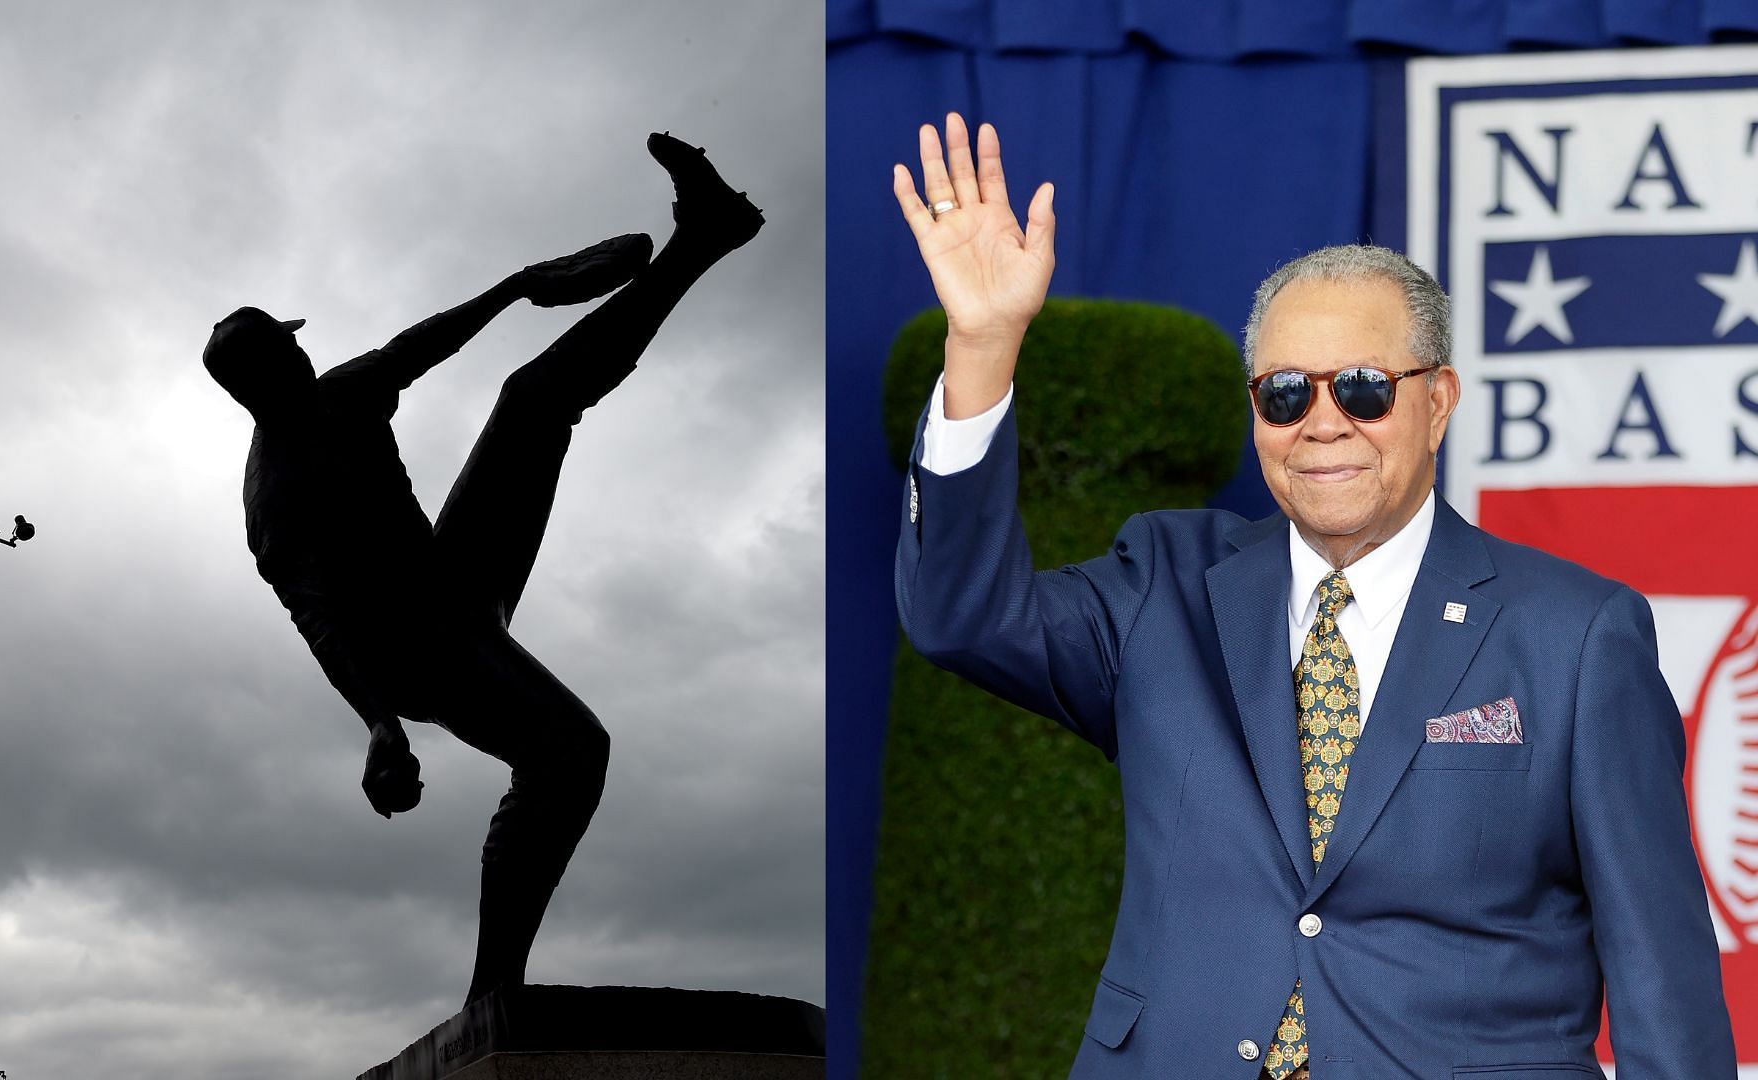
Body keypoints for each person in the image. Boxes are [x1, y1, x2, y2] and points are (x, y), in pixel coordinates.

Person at [890, 112, 1734, 1078]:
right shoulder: (1163, 588)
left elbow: (1663, 981)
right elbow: (959, 617)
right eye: (1286, 393)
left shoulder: (1578, 636)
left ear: (1439, 401)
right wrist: (985, 342)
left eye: (1365, 388)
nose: (1322, 424)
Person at [203, 132, 762, 1007]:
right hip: (415, 651)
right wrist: (380, 725)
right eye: (289, 359)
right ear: (256, 389)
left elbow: (418, 348)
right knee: (571, 752)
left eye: (302, 348)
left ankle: (705, 237)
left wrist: (518, 286)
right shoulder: (276, 494)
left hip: (451, 574)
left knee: (532, 398)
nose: (310, 361)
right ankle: (493, 990)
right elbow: (319, 623)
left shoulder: (337, 392)